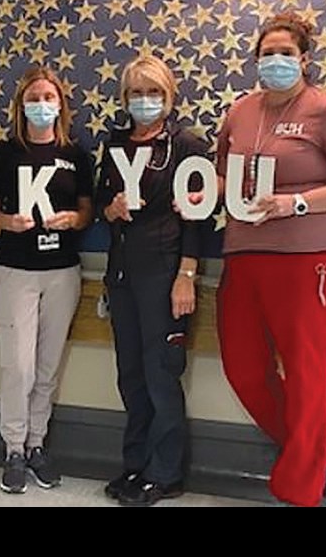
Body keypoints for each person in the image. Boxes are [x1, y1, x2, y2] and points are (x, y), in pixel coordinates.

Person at [209, 11, 326, 507]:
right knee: (243, 368)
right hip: (244, 252)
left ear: (304, 60)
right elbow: (225, 178)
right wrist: (196, 195)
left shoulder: (325, 110)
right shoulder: (240, 112)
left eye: (286, 53)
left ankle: (300, 489)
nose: (276, 61)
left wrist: (297, 202)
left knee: (307, 374)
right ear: (255, 60)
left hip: (310, 256)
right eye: (268, 53)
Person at [97, 55, 209, 506]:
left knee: (161, 373)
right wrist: (111, 208)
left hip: (165, 272)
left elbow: (196, 220)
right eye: (137, 93)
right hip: (123, 271)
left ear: (169, 96)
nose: (145, 102)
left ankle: (165, 473)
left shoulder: (187, 146)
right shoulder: (116, 145)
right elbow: (103, 202)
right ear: (125, 99)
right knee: (131, 374)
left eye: (154, 93)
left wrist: (186, 274)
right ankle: (136, 464)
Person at [0, 66, 94, 494]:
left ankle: (36, 445)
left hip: (62, 272)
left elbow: (87, 211)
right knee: (18, 366)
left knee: (47, 366)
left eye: (50, 97)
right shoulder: (6, 152)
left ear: (61, 105)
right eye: (34, 97)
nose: (42, 105)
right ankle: (12, 447)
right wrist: (5, 222)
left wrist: (73, 219)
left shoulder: (76, 154)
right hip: (16, 271)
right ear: (21, 105)